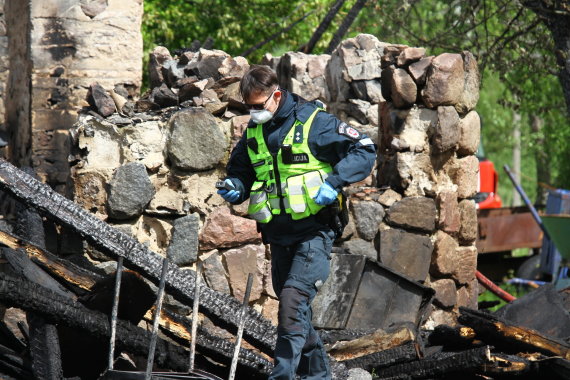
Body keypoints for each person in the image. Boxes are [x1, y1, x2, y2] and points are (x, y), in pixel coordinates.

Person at [217, 66, 376, 380]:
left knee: (291, 302)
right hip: (278, 235)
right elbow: (242, 174)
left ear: (276, 96)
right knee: (296, 315)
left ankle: (282, 375)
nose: (254, 113)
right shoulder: (252, 134)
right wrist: (235, 188)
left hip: (315, 231)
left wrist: (334, 182)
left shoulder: (314, 123)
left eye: (259, 106)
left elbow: (365, 149)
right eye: (249, 107)